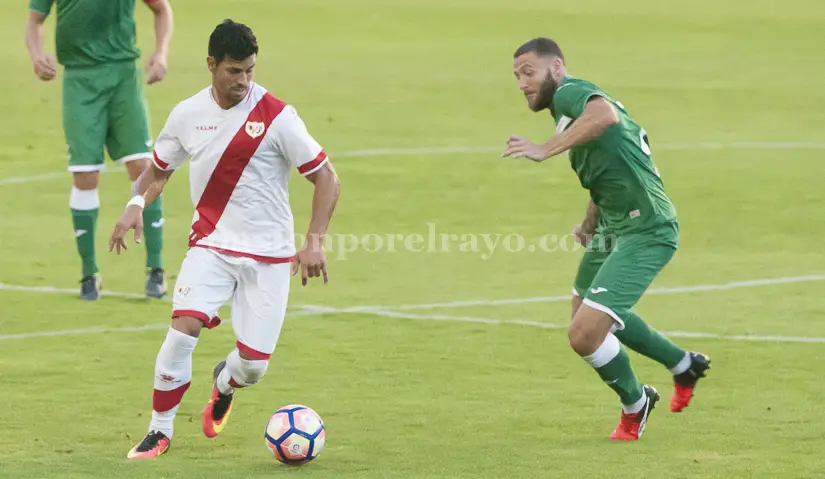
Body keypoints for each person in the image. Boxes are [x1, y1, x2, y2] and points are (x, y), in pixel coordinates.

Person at [108, 19, 341, 459]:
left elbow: (327, 177)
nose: (244, 80)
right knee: (181, 332)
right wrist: (134, 205)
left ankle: (224, 382)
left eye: (250, 70)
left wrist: (314, 240)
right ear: (211, 64)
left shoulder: (277, 117)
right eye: (234, 71)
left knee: (253, 367)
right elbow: (157, 171)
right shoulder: (187, 115)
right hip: (211, 246)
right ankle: (160, 431)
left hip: (269, 257)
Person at [502, 37, 710, 440]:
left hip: (646, 228)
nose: (522, 83)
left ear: (556, 68)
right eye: (516, 76)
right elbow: (605, 172)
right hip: (613, 225)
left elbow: (606, 115)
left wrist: (545, 150)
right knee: (584, 310)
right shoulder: (565, 112)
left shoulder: (570, 93)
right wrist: (589, 222)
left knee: (584, 334)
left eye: (529, 72)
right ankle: (683, 365)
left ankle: (636, 404)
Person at [25, 0, 174, 300]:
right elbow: (35, 20)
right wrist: (37, 55)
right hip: (79, 81)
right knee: (85, 176)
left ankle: (155, 270)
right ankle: (88, 274)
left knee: (143, 168)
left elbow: (162, 8)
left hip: (123, 78)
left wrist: (161, 53)